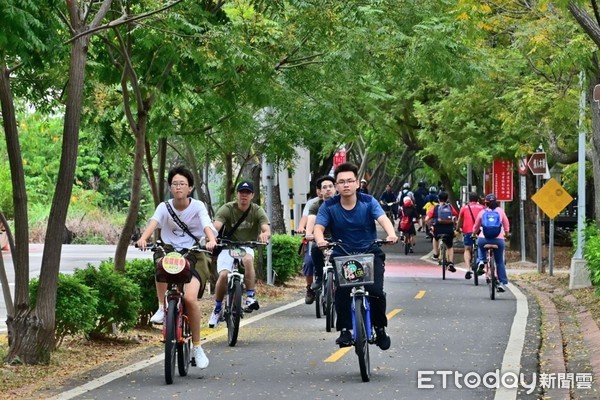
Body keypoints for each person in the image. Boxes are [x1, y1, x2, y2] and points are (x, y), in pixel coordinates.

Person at [136, 165, 216, 369]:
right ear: (170, 188)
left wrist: (210, 240)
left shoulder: (197, 206)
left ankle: (197, 347)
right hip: (171, 250)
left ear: (190, 188)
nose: (178, 187)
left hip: (195, 252)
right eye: (174, 184)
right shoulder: (164, 207)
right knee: (159, 261)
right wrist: (143, 239)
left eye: (182, 184)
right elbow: (153, 224)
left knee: (190, 298)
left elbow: (207, 226)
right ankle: (163, 307)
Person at [313, 162, 398, 350]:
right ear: (336, 185)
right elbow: (318, 228)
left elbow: (383, 219)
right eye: (341, 181)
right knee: (342, 291)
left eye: (350, 181)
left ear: (357, 183)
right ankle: (345, 330)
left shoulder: (368, 201)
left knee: (375, 291)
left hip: (370, 252)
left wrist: (391, 234)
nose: (346, 185)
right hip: (343, 253)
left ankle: (380, 328)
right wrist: (320, 241)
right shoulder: (329, 206)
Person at [208, 181, 271, 327]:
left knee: (248, 260)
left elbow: (266, 229)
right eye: (241, 192)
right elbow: (215, 226)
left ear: (252, 195)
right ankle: (217, 308)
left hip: (245, 247)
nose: (244, 195)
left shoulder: (257, 210)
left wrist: (264, 235)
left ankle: (250, 296)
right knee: (223, 275)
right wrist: (211, 238)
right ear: (237, 194)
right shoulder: (227, 208)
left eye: (247, 192)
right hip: (227, 247)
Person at [304, 175, 337, 291]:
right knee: (313, 253)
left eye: (330, 186)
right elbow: (311, 220)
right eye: (324, 187)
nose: (328, 189)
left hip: (339, 238)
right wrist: (309, 233)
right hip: (320, 239)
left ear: (335, 188)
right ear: (320, 191)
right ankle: (318, 278)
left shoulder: (342, 202)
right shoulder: (316, 206)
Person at [472, 194, 510, 292]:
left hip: (484, 239)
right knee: (499, 261)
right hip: (498, 240)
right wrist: (506, 233)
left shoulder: (482, 212)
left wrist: (474, 233)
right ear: (496, 202)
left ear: (486, 203)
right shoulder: (500, 211)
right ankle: (502, 282)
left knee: (480, 246)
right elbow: (506, 225)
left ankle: (481, 261)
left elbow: (476, 226)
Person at [296, 185, 322, 304]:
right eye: (321, 188)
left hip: (331, 239)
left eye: (328, 187)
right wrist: (302, 228)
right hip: (313, 239)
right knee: (309, 262)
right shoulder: (312, 204)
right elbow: (306, 218)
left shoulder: (337, 202)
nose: (324, 191)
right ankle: (309, 289)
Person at [425, 191, 459, 272]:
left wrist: (430, 227)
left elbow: (426, 219)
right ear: (447, 199)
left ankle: (436, 254)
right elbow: (456, 215)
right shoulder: (450, 207)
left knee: (435, 237)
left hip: (438, 229)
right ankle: (450, 262)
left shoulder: (435, 208)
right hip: (449, 229)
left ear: (438, 199)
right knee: (450, 246)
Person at [456, 192, 485, 279]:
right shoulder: (483, 208)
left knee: (467, 249)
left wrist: (458, 228)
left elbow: (460, 220)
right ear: (478, 199)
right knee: (480, 246)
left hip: (468, 231)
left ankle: (468, 269)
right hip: (480, 231)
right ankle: (480, 261)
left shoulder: (464, 208)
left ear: (469, 199)